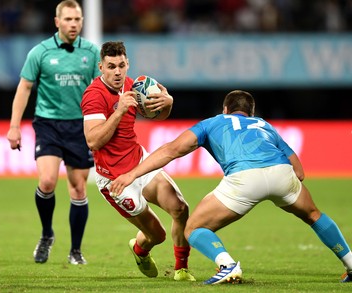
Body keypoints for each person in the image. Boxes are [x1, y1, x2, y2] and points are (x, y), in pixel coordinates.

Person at [110, 90, 352, 284]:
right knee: (313, 215)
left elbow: (171, 150)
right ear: (251, 112)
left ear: (225, 110)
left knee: (193, 228)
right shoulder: (264, 125)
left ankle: (226, 265)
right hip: (281, 173)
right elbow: (299, 172)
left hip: (244, 179)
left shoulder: (213, 123)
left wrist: (132, 174)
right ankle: (350, 263)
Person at [80, 41, 195, 281]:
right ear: (101, 67)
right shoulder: (93, 95)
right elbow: (93, 141)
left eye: (121, 65)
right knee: (157, 235)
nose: (118, 72)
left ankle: (181, 269)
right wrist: (119, 111)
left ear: (127, 63)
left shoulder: (134, 86)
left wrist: (168, 104)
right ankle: (140, 249)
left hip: (139, 163)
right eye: (111, 66)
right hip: (114, 179)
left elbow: (158, 115)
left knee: (180, 208)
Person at [6, 0, 100, 265]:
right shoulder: (41, 52)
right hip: (48, 124)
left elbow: (99, 91)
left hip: (80, 126)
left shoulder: (92, 52)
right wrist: (14, 126)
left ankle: (75, 251)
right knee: (47, 182)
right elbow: (24, 88)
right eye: (68, 19)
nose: (74, 24)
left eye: (78, 19)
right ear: (57, 21)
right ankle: (47, 234)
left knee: (79, 189)